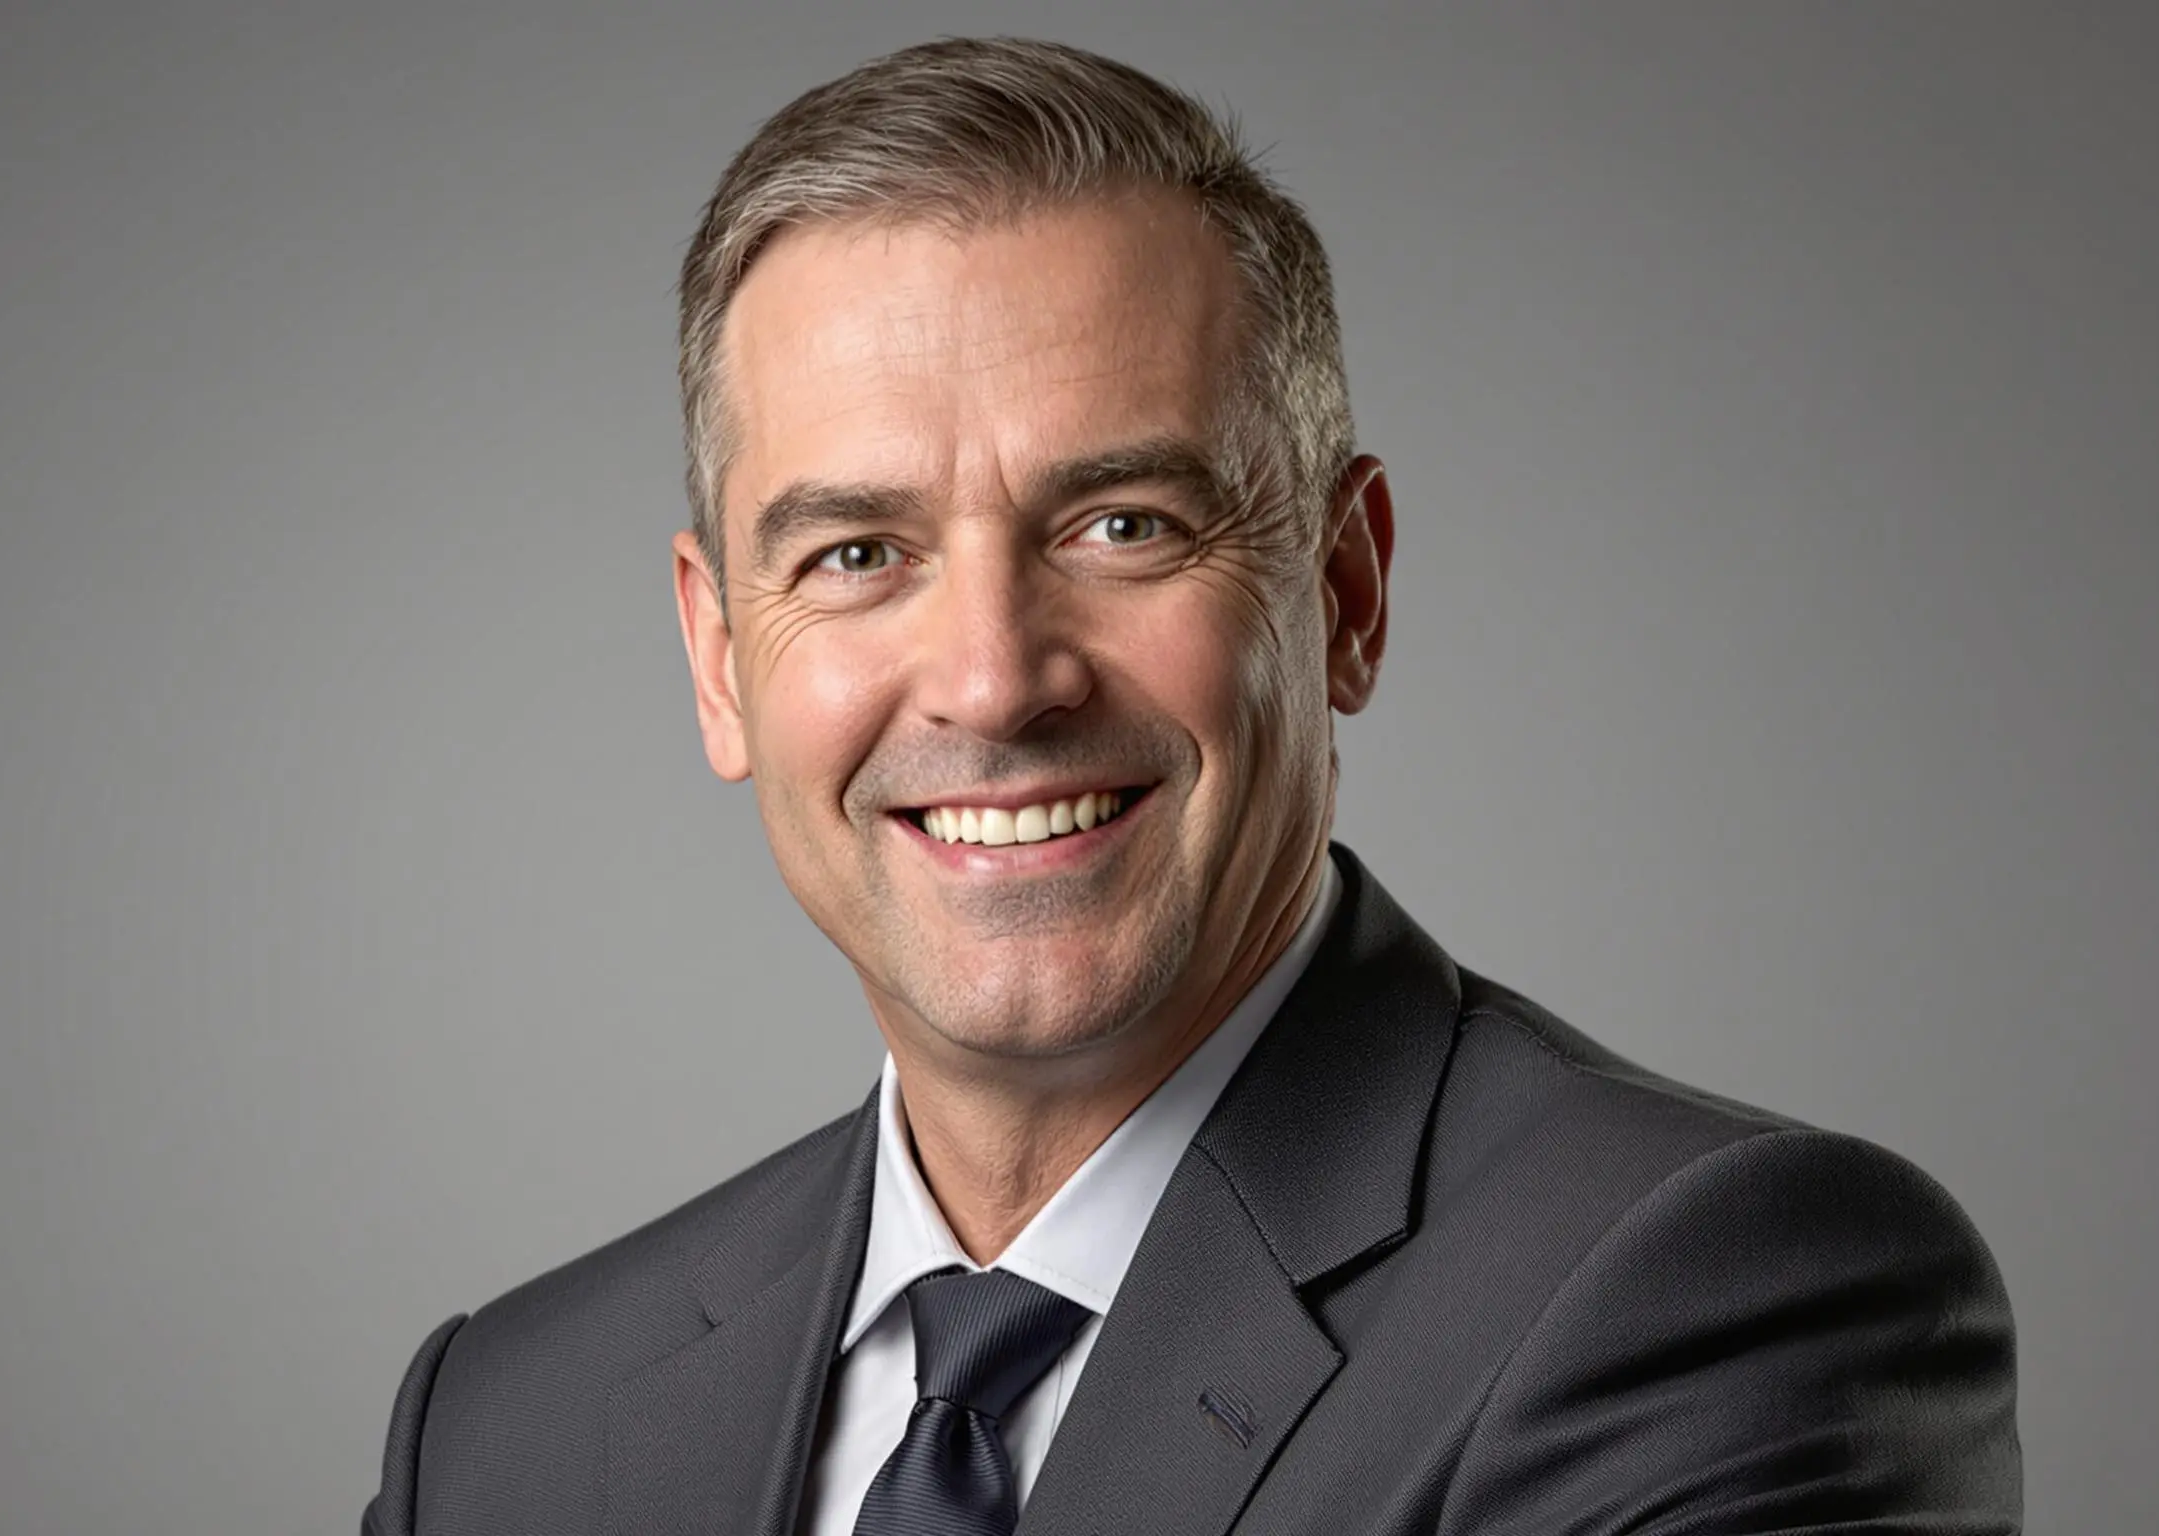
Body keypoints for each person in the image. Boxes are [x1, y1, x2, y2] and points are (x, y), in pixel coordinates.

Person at [361, 36, 2020, 1536]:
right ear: (722, 658)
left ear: (1345, 592)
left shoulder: (1715, 1303)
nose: (997, 679)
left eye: (1124, 526)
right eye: (860, 554)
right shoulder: (509, 1430)